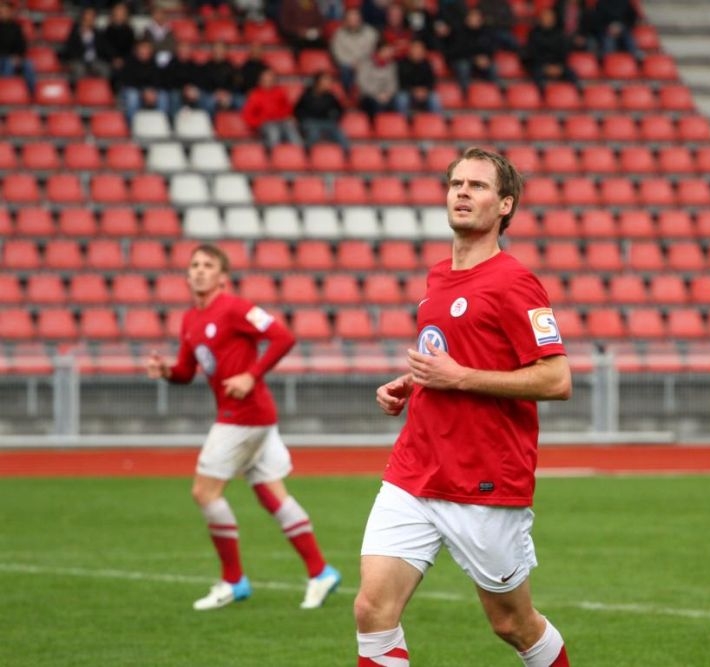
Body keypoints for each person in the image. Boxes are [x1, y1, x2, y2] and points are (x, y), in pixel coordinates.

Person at [354, 147, 573, 667]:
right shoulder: (437, 278)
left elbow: (557, 378)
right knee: (372, 609)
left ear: (505, 205)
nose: (463, 193)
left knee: (512, 624)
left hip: (484, 479)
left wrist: (459, 378)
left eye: (477, 186)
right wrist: (413, 383)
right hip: (414, 471)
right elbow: (455, 358)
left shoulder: (515, 281)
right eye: (456, 184)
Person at [146, 244, 341, 611]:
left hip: (244, 415)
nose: (199, 270)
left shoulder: (235, 308)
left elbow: (283, 336)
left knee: (204, 492)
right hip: (249, 416)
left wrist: (252, 375)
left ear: (223, 277)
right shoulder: (190, 320)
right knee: (270, 493)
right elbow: (187, 372)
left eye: (208, 265)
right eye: (194, 265)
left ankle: (233, 580)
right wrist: (167, 371)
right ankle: (320, 572)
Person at [241, 67, 303, 146]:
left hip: (282, 120)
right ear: (260, 81)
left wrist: (289, 116)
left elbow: (287, 108)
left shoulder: (280, 91)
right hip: (266, 123)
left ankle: (299, 151)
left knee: (292, 128)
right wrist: (260, 122)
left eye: (271, 79)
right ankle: (274, 152)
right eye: (266, 79)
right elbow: (247, 115)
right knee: (273, 131)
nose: (268, 81)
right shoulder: (254, 95)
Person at [294, 71, 349, 147]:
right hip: (310, 122)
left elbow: (339, 110)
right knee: (313, 134)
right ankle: (307, 151)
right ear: (318, 82)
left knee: (340, 135)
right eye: (325, 80)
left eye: (329, 81)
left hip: (326, 122)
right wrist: (303, 119)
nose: (328, 83)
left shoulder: (330, 97)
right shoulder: (307, 95)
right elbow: (298, 110)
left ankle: (347, 153)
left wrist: (333, 117)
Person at [0, 2, 37, 95]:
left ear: (10, 12)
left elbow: (21, 45)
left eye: (6, 10)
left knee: (28, 64)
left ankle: (32, 93)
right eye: (1, 11)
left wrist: (18, 57)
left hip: (15, 57)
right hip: (2, 58)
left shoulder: (16, 28)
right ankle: (5, 92)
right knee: (8, 64)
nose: (3, 13)